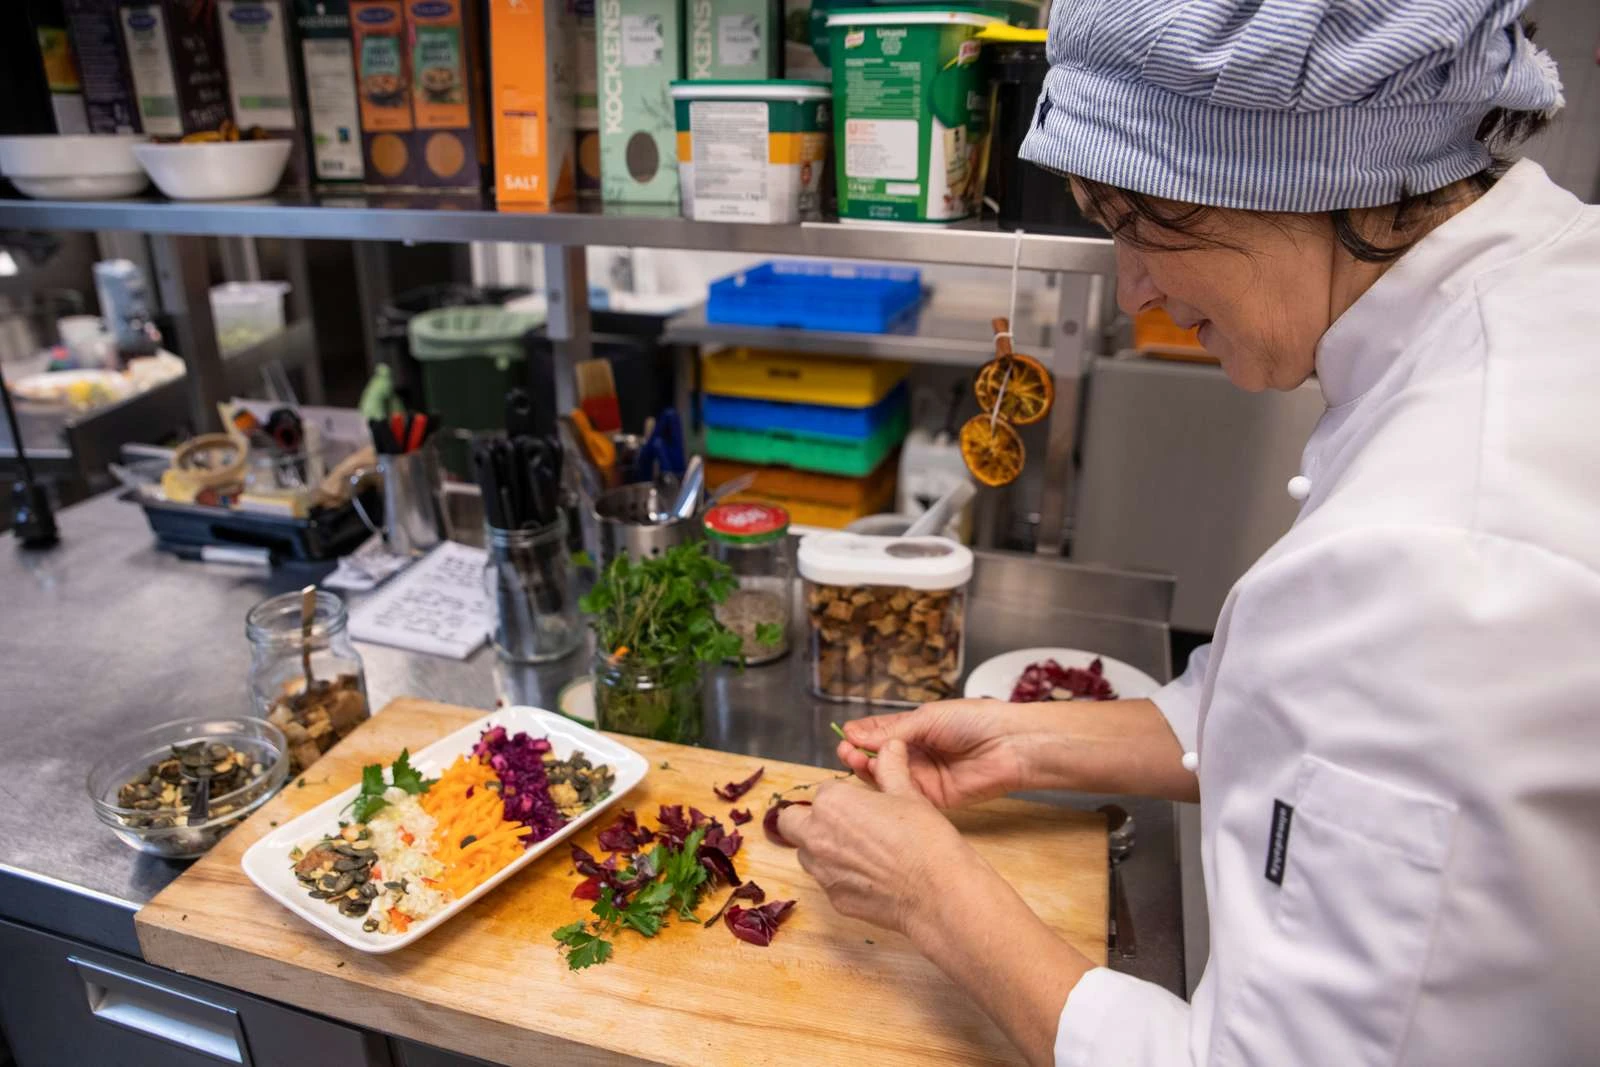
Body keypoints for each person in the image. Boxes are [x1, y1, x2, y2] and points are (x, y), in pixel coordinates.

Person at [777, 2, 1600, 1064]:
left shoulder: (1446, 554)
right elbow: (1304, 705)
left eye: (1138, 219)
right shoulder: (1537, 287)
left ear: (1295, 169)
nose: (1135, 288)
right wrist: (1025, 744)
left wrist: (931, 893)